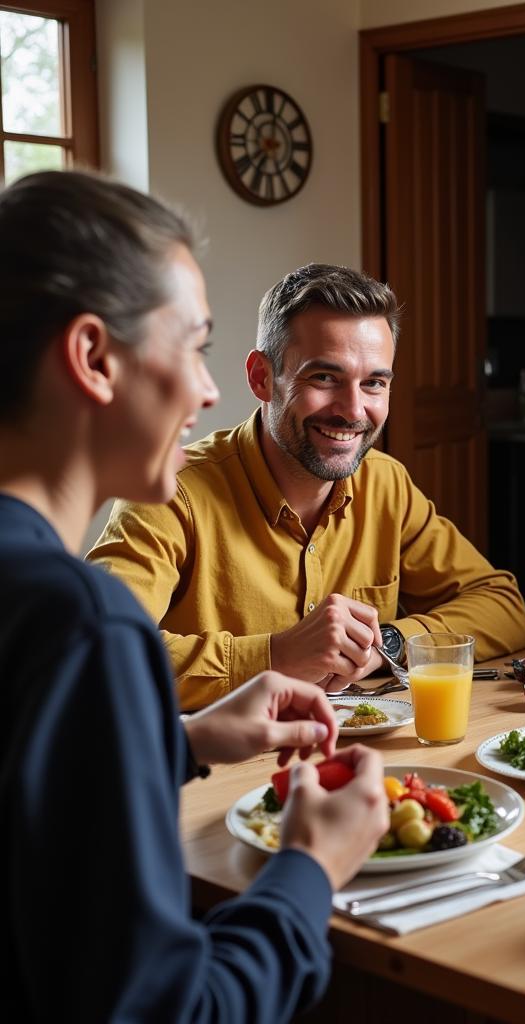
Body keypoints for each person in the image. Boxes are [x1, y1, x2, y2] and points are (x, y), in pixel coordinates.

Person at [0, 170, 389, 1021]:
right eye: (193, 346)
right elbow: (171, 1009)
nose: (209, 393)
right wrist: (310, 868)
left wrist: (182, 739)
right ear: (95, 358)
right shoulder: (84, 624)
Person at [88, 262, 525, 710]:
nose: (353, 410)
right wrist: (275, 657)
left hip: (362, 762)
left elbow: (503, 606)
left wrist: (388, 643)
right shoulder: (168, 491)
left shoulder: (386, 483)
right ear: (262, 377)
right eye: (325, 378)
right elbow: (97, 653)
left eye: (374, 383)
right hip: (216, 769)